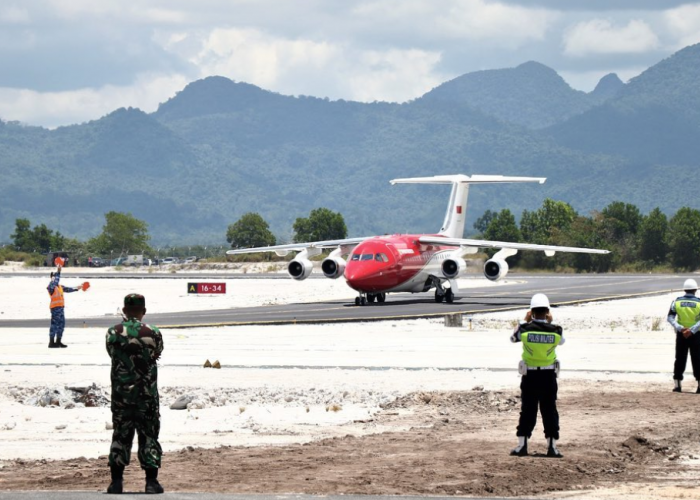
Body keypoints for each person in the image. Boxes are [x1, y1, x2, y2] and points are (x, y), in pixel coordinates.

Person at [106, 294, 165, 494]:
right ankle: (151, 482)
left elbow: (112, 353)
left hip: (121, 395)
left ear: (124, 310)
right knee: (148, 435)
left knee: (121, 435)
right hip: (146, 395)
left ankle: (116, 482)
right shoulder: (153, 332)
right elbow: (157, 352)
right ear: (144, 311)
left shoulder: (113, 332)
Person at [510, 293, 564, 458]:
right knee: (549, 410)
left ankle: (522, 445)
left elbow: (513, 338)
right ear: (547, 311)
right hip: (548, 376)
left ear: (531, 311)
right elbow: (562, 342)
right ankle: (552, 447)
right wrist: (549, 321)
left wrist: (526, 321)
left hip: (530, 376)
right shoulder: (556, 330)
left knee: (528, 410)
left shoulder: (524, 329)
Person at [666, 279, 700, 393]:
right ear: (695, 289)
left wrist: (680, 328)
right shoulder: (699, 302)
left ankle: (677, 385)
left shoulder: (676, 302)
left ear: (684, 289)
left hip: (681, 335)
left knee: (680, 358)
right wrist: (692, 330)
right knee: (697, 359)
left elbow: (670, 318)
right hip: (696, 335)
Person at [47, 265, 84, 348]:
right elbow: (55, 281)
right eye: (54, 277)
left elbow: (68, 289)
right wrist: (58, 272)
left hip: (60, 308)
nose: (55, 279)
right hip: (55, 308)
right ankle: (51, 342)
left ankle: (58, 341)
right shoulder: (51, 287)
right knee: (54, 325)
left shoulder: (59, 287)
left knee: (61, 324)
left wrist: (77, 288)